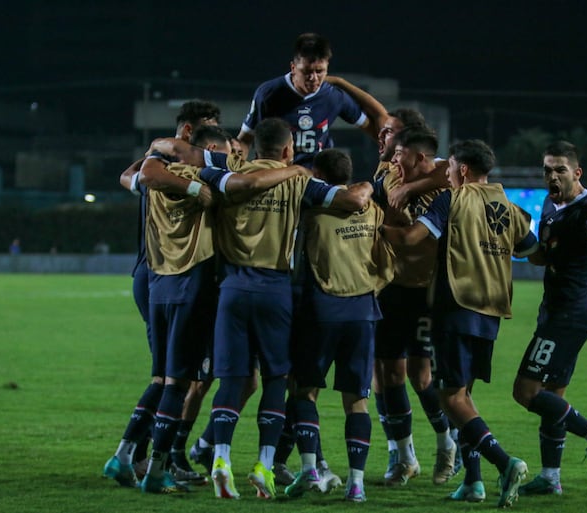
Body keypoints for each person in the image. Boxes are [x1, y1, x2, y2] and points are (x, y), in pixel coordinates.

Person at [189, 118, 373, 500]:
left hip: (234, 286)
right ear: (289, 149)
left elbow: (198, 170)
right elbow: (352, 201)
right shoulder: (299, 180)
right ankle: (264, 464)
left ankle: (220, 457)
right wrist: (370, 185)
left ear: (256, 147)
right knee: (276, 379)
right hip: (275, 288)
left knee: (232, 379)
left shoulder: (228, 174)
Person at [380, 139, 539, 507]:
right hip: (492, 312)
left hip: (456, 307)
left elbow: (411, 238)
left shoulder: (451, 200)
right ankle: (473, 480)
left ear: (462, 170)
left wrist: (376, 228)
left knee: (449, 396)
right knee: (463, 397)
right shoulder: (509, 207)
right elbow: (533, 251)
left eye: (449, 167)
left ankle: (505, 462)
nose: (447, 173)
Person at [104, 100, 221, 489]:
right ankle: (159, 463)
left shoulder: (153, 169)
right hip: (176, 277)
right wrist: (194, 185)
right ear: (186, 133)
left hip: (155, 278)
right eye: (207, 132)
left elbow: (129, 176)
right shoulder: (181, 170)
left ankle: (129, 455)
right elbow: (141, 173)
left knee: (164, 376)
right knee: (179, 379)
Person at [283, 149, 393, 502]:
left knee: (304, 391)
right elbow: (386, 263)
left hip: (322, 311)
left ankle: (311, 470)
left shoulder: (312, 211)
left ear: (317, 175)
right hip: (363, 312)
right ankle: (356, 483)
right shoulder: (372, 210)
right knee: (356, 401)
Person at [513, 140, 587, 496]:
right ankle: (551, 478)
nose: (553, 176)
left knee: (526, 391)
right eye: (547, 169)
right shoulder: (550, 203)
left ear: (577, 173)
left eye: (560, 169)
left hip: (568, 315)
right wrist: (518, 238)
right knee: (553, 397)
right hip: (557, 312)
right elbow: (542, 256)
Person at [371, 126, 458, 486]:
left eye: (399, 153)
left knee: (422, 376)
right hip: (392, 289)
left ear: (421, 156)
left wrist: (411, 188)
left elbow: (448, 168)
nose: (393, 160)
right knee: (389, 374)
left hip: (428, 293)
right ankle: (405, 457)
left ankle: (446, 444)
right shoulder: (389, 177)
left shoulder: (449, 185)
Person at [237, 33, 386, 167]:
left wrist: (388, 153)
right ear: (293, 67)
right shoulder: (269, 93)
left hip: (318, 177)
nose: (313, 78)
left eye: (319, 71)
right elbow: (245, 139)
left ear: (327, 67)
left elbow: (372, 126)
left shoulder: (333, 96)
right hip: (279, 176)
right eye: (307, 71)